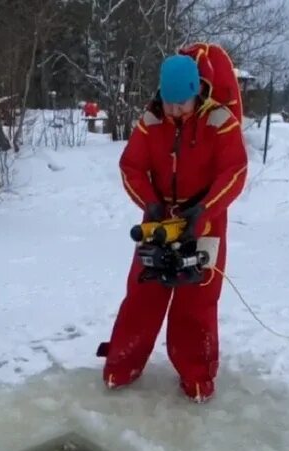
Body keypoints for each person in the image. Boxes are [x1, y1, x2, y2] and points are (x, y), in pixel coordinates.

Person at [99, 53, 249, 403]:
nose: (175, 111)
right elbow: (131, 167)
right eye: (169, 103)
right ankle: (122, 364)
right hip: (160, 216)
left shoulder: (219, 120)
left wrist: (206, 209)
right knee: (143, 290)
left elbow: (235, 171)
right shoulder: (150, 120)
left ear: (196, 93)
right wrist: (150, 203)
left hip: (206, 218)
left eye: (182, 103)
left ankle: (197, 374)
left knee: (196, 300)